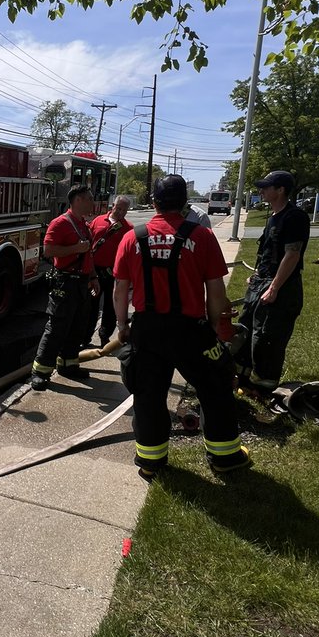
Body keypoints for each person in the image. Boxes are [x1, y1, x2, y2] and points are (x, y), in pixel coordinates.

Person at [113, 175, 250, 479]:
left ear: (154, 202)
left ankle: (150, 462)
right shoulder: (202, 236)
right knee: (215, 387)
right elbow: (216, 291)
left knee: (148, 396)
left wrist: (122, 325)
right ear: (185, 204)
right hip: (190, 329)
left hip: (146, 330)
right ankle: (225, 458)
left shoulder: (131, 237)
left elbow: (120, 290)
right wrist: (213, 329)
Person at [234, 170, 310, 395]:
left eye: (266, 187)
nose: (261, 191)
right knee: (245, 330)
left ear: (281, 190)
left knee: (267, 338)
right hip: (261, 283)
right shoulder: (274, 218)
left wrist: (274, 287)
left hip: (281, 288)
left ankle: (263, 387)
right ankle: (243, 380)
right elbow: (268, 253)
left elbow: (292, 255)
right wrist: (257, 275)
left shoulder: (294, 217)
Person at [30, 186, 99, 391]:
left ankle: (68, 366)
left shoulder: (83, 225)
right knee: (57, 328)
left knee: (78, 326)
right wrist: (75, 249)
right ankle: (41, 372)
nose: (92, 202)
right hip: (65, 282)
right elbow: (48, 250)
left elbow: (88, 255)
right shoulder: (60, 223)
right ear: (77, 200)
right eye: (89, 199)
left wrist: (93, 277)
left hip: (82, 283)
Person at [83, 195, 131, 347]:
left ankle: (105, 336)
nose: (121, 212)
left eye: (124, 210)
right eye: (119, 208)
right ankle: (85, 338)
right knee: (91, 306)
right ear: (113, 206)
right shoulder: (98, 221)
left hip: (113, 273)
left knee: (111, 307)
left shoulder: (128, 228)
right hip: (94, 272)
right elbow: (88, 242)